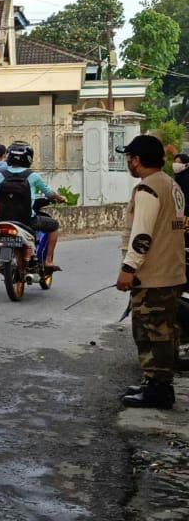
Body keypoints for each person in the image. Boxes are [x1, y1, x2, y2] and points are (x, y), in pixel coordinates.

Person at [115, 135, 186, 409]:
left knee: (150, 331)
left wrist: (128, 268)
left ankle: (158, 388)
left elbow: (141, 235)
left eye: (130, 159)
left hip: (153, 274)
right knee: (165, 330)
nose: (129, 164)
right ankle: (154, 382)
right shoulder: (171, 184)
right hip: (172, 270)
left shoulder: (148, 188)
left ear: (138, 160)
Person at [0, 142, 65, 272]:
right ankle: (48, 261)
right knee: (54, 225)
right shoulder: (33, 176)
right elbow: (49, 193)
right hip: (27, 220)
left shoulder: (0, 176)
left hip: (3, 218)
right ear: (29, 158)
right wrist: (60, 198)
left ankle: (3, 260)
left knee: (2, 235)